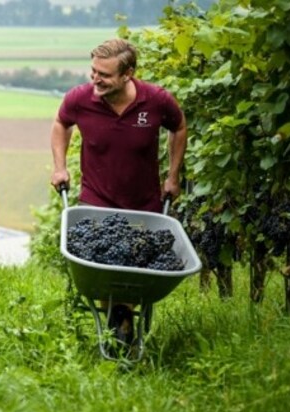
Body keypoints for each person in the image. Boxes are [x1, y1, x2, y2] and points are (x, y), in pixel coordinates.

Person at [50, 38, 187, 346]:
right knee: (103, 268)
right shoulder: (79, 99)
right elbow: (61, 123)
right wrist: (59, 166)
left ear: (128, 74)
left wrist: (173, 175)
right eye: (93, 71)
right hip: (96, 200)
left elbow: (178, 127)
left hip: (144, 203)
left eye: (105, 75)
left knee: (134, 268)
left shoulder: (156, 100)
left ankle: (119, 321)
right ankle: (120, 324)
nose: (95, 79)